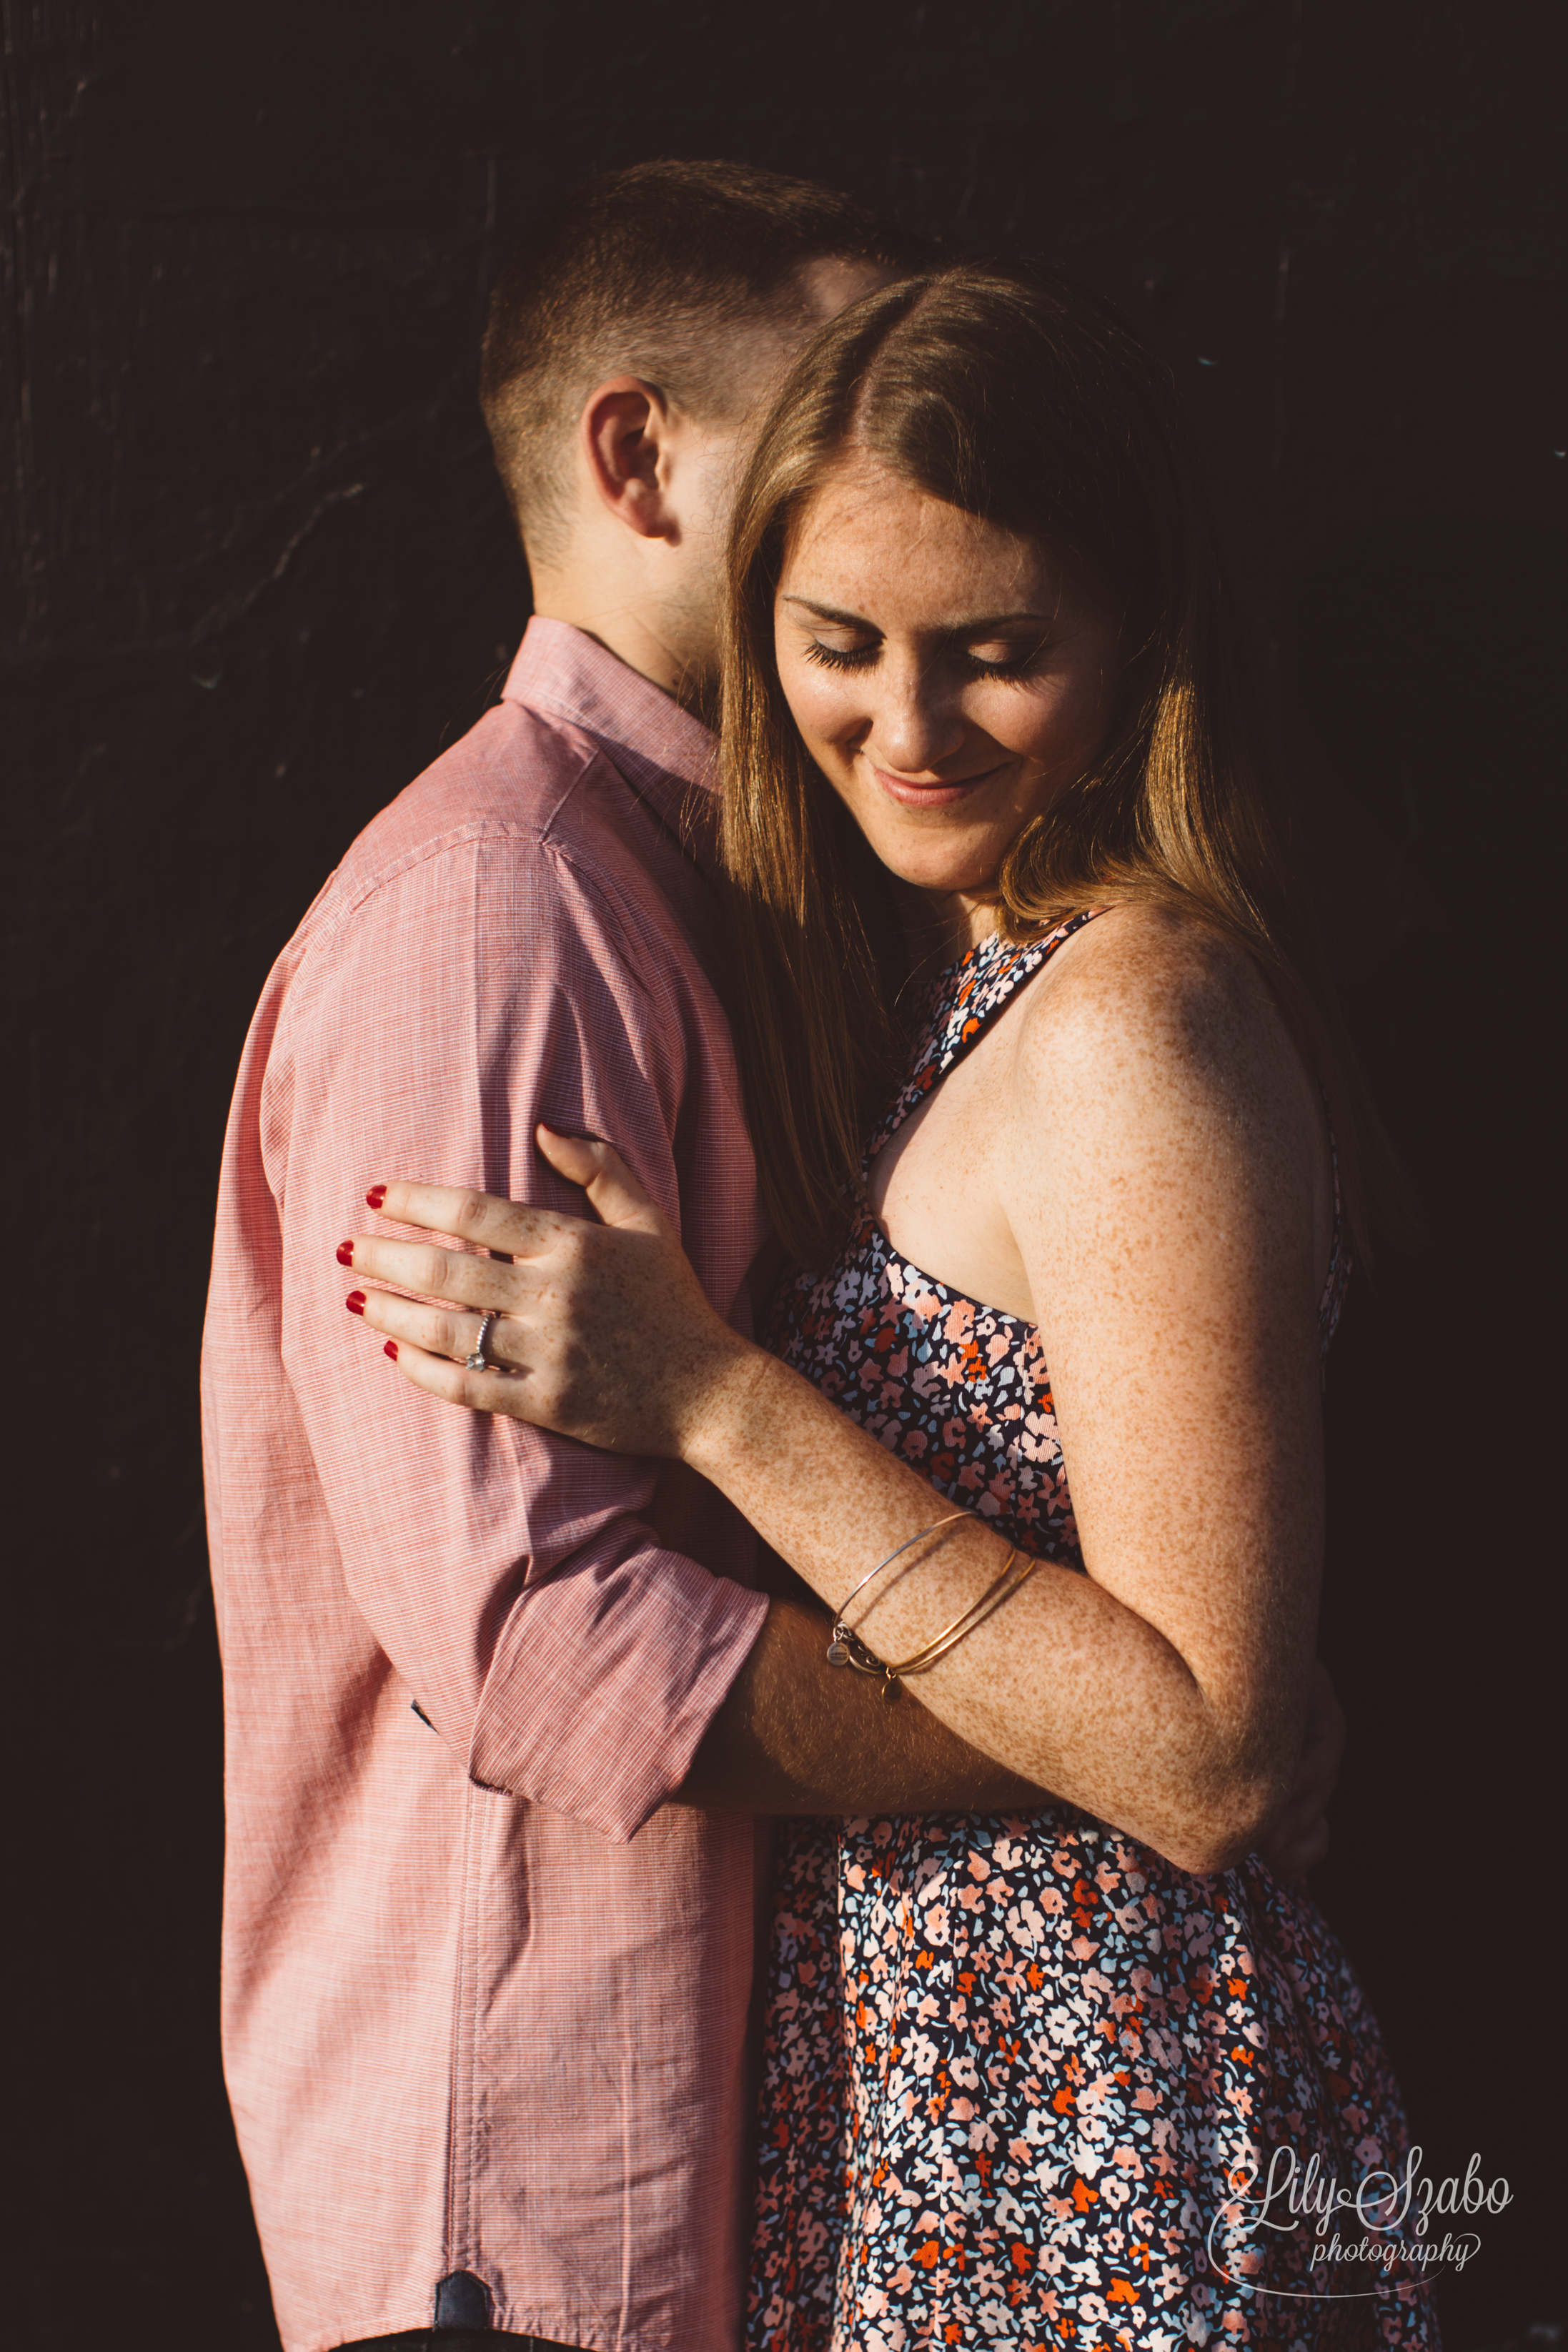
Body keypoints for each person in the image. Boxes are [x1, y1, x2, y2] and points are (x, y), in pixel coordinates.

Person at [341, 264, 1434, 2348]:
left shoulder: (1135, 1022)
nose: (904, 729)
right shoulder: (951, 971)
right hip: (950, 2097)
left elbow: (1210, 1753)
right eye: (837, 644)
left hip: (1107, 2115)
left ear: (1139, 645)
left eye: (996, 655)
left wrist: (708, 1394)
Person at [199, 159, 997, 2352]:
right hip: (522, 2207)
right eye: (829, 419)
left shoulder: (675, 879)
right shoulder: (502, 911)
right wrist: (1078, 1735)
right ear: (636, 455)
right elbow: (541, 1633)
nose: (892, 475)